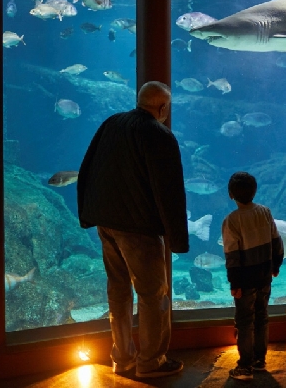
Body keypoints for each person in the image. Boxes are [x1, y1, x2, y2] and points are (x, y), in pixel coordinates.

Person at [77, 81, 189, 378]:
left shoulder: (111, 123)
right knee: (153, 294)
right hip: (139, 229)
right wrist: (176, 238)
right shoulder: (159, 135)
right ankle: (151, 362)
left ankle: (123, 357)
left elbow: (88, 166)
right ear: (163, 107)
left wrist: (89, 213)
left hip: (106, 223)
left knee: (118, 290)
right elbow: (170, 191)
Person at [221, 171, 284, 381]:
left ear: (231, 194)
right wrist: (276, 264)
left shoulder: (231, 221)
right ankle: (259, 360)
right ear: (255, 191)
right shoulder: (265, 212)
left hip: (245, 280)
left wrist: (235, 282)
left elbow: (233, 255)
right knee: (262, 316)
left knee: (245, 320)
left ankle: (245, 366)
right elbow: (277, 240)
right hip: (265, 275)